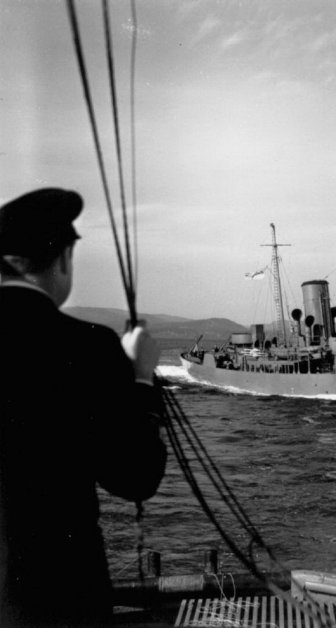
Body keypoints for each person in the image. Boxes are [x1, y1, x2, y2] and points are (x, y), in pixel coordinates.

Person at [0, 188, 167, 627]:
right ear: (62, 259)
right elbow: (136, 476)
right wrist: (141, 379)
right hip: (60, 598)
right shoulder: (88, 346)